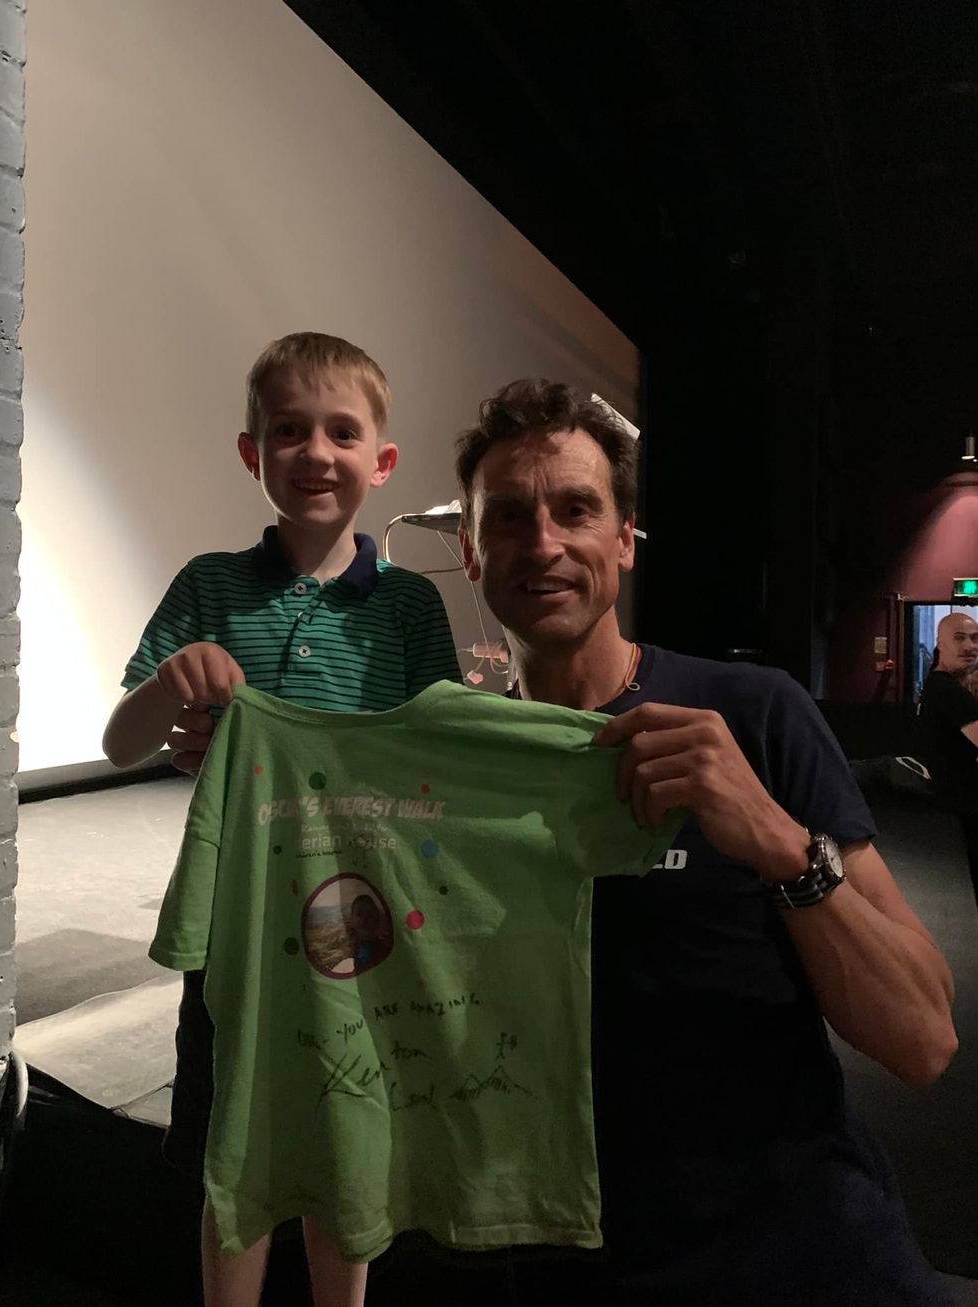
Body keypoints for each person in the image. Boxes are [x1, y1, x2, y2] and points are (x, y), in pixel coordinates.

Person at [442, 378, 956, 1306]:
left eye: (576, 510)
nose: (544, 541)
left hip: (794, 1245)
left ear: (625, 541)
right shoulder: (454, 764)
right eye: (510, 517)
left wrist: (778, 842)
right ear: (473, 555)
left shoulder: (754, 715)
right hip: (557, 1257)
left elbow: (923, 1039)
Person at [102, 332, 461, 1307]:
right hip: (238, 926)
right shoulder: (208, 589)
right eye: (289, 429)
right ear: (250, 451)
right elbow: (119, 741)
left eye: (342, 431)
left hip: (363, 924)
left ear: (380, 460)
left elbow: (445, 749)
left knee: (348, 1141)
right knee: (236, 1142)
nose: (315, 450)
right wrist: (169, 683)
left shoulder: (408, 606)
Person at [917, 610, 978, 906]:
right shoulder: (949, 692)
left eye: (975, 638)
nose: (970, 645)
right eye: (959, 638)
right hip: (964, 806)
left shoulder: (935, 685)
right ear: (939, 643)